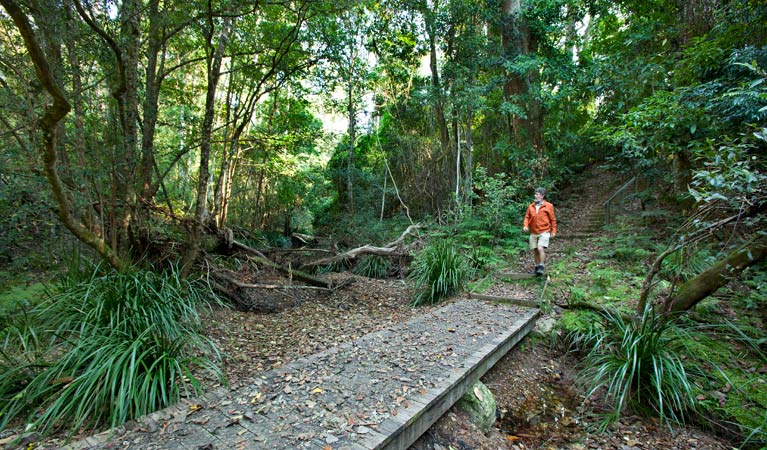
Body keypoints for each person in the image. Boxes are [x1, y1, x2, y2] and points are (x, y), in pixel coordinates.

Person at [523, 187, 557, 276]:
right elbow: (527, 217)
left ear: (542, 196)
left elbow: (553, 219)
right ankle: (537, 266)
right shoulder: (531, 206)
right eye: (535, 194)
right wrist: (525, 226)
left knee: (540, 248)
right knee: (535, 250)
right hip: (533, 231)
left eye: (537, 194)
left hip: (544, 230)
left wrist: (553, 231)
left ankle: (541, 266)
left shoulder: (548, 206)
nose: (535, 196)